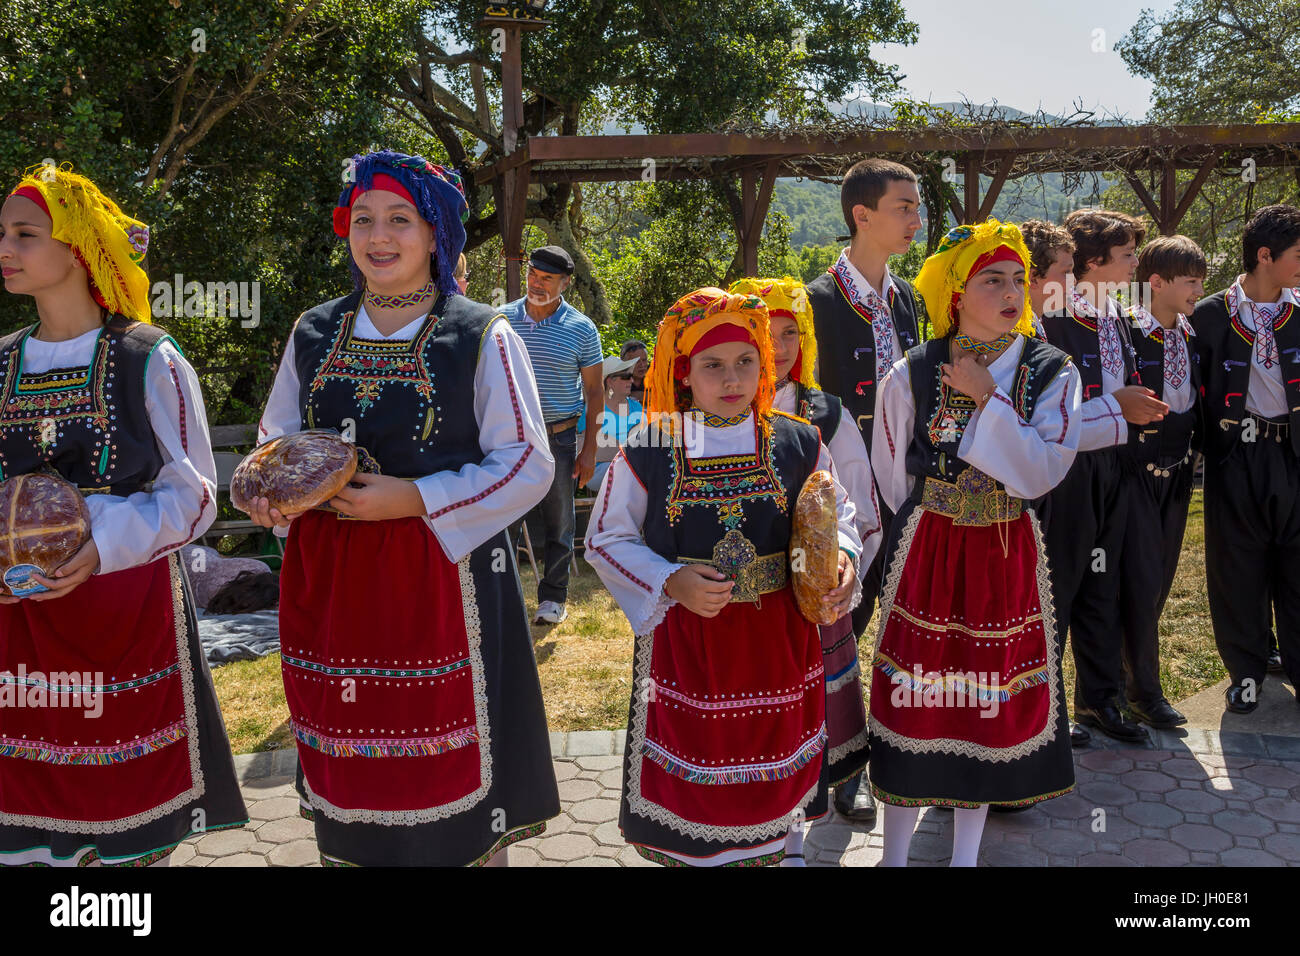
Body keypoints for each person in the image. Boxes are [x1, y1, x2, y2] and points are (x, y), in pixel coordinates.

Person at [246, 149, 560, 866]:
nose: (378, 236)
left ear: (434, 233)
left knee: (451, 769)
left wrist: (416, 497)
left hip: (445, 584)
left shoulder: (480, 333)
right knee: (352, 759)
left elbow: (528, 463)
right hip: (335, 585)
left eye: (399, 220)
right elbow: (276, 441)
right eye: (363, 219)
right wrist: (276, 498)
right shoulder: (314, 330)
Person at [0, 164, 246, 866]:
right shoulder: (1, 364)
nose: (5, 248)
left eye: (25, 233)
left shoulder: (145, 357)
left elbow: (196, 491)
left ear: (78, 248)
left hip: (123, 612)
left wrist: (102, 544)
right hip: (21, 623)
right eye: (2, 234)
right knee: (32, 819)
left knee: (125, 825)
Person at [585, 287, 862, 866]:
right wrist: (669, 580)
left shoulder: (797, 439)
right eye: (713, 365)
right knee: (701, 774)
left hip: (778, 643)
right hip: (691, 645)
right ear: (684, 373)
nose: (731, 378)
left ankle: (776, 850)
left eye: (745, 362)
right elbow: (606, 538)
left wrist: (841, 556)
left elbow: (838, 513)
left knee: (772, 774)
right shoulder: (650, 446)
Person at [869, 220, 1083, 866]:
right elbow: (888, 463)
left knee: (985, 705)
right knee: (917, 697)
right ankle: (893, 853)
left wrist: (989, 401)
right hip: (929, 552)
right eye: (992, 280)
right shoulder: (917, 366)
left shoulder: (1051, 370)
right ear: (957, 292)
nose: (1012, 291)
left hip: (1004, 553)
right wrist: (933, 506)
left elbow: (1043, 470)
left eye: (1019, 279)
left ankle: (966, 856)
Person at [730, 275, 883, 822]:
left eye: (791, 330)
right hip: (755, 580)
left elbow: (858, 496)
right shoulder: (723, 407)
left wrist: (845, 558)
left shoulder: (826, 412)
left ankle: (845, 774)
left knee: (833, 670)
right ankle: (760, 778)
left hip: (814, 574)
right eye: (766, 332)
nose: (781, 344)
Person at [804, 157, 925, 821]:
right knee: (835, 623)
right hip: (842, 493)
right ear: (862, 215)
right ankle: (817, 763)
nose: (915, 218)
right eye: (904, 206)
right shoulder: (817, 301)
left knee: (881, 621)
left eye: (916, 206)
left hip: (903, 485)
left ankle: (856, 760)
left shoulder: (908, 298)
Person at [1040, 209, 1168, 744]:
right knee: (1060, 583)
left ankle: (1100, 700)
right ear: (1093, 262)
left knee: (1106, 581)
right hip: (1074, 461)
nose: (1137, 262)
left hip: (1119, 459)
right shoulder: (1052, 318)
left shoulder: (1118, 311)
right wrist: (1116, 406)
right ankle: (1046, 709)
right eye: (1127, 255)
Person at [1192, 203, 1300, 714]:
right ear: (1265, 256)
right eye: (1297, 254)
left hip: (1295, 455)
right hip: (1238, 457)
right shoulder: (1212, 314)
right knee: (1237, 565)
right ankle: (1246, 672)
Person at [1114, 235, 1206, 729]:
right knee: (1137, 582)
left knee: (1160, 583)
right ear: (1156, 283)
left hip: (1178, 475)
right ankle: (1141, 692)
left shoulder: (1190, 332)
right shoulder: (1127, 330)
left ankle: (1133, 686)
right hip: (1135, 475)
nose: (1199, 288)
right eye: (1190, 280)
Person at [1021, 218, 1092, 748]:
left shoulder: (1046, 332)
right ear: (1034, 277)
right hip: (1027, 496)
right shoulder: (1019, 341)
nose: (1073, 285)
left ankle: (1047, 718)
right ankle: (1035, 725)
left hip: (1054, 488)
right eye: (1065, 273)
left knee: (1054, 601)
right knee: (1037, 605)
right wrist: (1117, 410)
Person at [505, 245, 603, 625]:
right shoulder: (502, 319)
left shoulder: (581, 328)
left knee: (560, 520)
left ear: (565, 283)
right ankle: (506, 595)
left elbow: (595, 391)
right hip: (510, 437)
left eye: (547, 278)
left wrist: (589, 448)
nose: (536, 283)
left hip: (559, 437)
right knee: (504, 517)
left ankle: (553, 599)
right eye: (532, 274)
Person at [576, 354, 644, 491]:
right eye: (625, 377)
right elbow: (586, 446)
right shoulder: (594, 409)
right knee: (630, 473)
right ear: (610, 381)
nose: (631, 380)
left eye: (631, 376)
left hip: (635, 468)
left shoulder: (637, 408)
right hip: (600, 469)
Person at [1021, 219, 1076, 340]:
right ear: (1033, 278)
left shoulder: (1035, 326)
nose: (1074, 280)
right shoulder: (1016, 336)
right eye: (1066, 272)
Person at [621, 339, 650, 404]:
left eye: (644, 360)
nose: (642, 365)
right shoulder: (615, 378)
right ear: (625, 363)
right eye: (636, 362)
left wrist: (639, 395)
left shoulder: (655, 375)